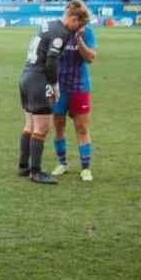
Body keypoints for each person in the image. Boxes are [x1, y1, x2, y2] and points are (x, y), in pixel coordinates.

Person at [17, 0, 90, 184]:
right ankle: (36, 172)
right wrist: (55, 85)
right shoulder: (62, 32)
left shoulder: (47, 25)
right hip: (39, 80)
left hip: (26, 76)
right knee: (42, 128)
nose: (77, 29)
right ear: (73, 19)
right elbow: (51, 62)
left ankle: (23, 166)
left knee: (30, 125)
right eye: (78, 24)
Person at [52, 17, 98, 181]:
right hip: (59, 88)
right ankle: (62, 163)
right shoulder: (58, 32)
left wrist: (79, 39)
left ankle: (85, 169)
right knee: (58, 126)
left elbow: (90, 58)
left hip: (80, 87)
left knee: (82, 128)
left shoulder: (88, 32)